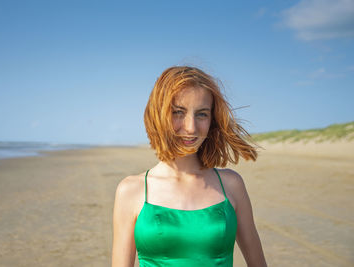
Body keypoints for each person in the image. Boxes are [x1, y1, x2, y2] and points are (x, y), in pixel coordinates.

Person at [112, 66, 267, 266]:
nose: (191, 128)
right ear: (158, 115)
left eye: (201, 114)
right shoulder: (131, 190)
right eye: (178, 112)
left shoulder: (231, 184)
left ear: (212, 119)